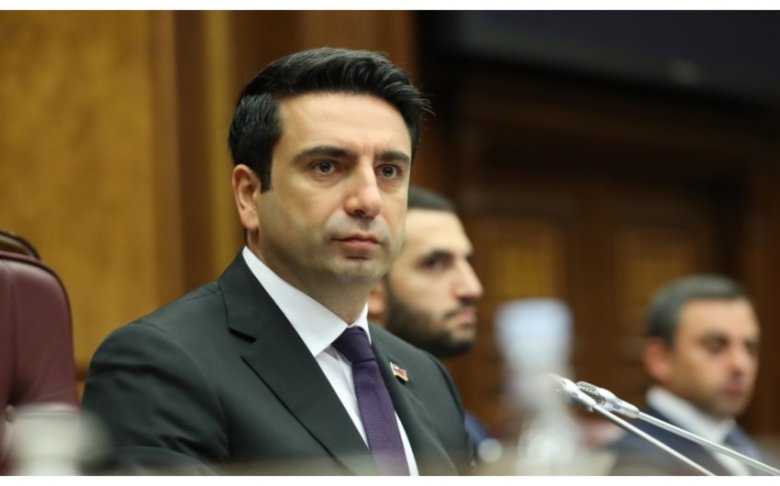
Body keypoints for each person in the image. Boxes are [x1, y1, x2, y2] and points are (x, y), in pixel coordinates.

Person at [80, 47, 471, 475]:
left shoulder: (428, 378)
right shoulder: (160, 365)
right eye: (326, 166)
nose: (369, 200)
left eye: (389, 171)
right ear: (249, 195)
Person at [608, 274, 775, 475]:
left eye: (750, 347)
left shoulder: (754, 451)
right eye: (715, 346)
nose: (740, 364)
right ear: (659, 358)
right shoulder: (636, 465)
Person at [366, 186, 491, 453]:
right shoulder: (359, 425)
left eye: (467, 262)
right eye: (434, 263)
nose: (472, 288)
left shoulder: (465, 426)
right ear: (371, 288)